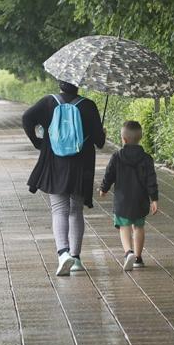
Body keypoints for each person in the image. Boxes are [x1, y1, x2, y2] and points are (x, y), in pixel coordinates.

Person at [22, 80, 106, 276]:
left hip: (54, 161)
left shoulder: (48, 102)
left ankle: (63, 253)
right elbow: (99, 142)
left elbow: (26, 118)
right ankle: (75, 258)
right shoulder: (88, 105)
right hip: (81, 163)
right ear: (79, 84)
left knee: (59, 209)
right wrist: (102, 134)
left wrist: (37, 141)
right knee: (76, 210)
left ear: (60, 84)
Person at [99, 120, 159, 271]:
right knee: (138, 227)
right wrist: (154, 198)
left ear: (123, 139)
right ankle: (138, 258)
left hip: (122, 200)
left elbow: (109, 175)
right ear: (140, 138)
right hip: (140, 200)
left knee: (124, 227)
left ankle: (128, 252)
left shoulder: (117, 157)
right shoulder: (146, 159)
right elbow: (151, 180)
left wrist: (103, 188)